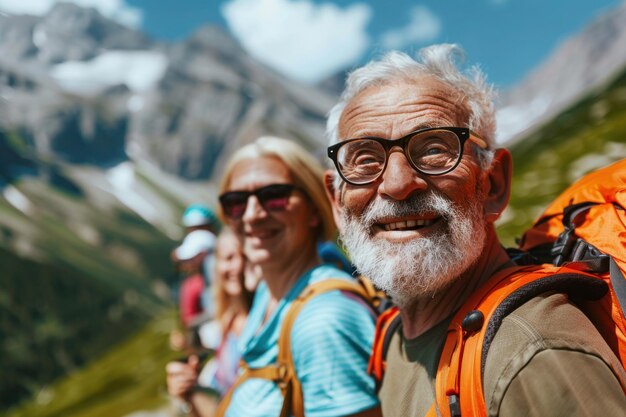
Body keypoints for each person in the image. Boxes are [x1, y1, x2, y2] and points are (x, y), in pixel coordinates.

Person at [323, 44, 626, 416]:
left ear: (493, 183)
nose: (398, 183)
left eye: (433, 148)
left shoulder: (532, 352)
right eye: (365, 158)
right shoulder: (392, 340)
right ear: (337, 202)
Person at [216, 136, 381, 417]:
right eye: (235, 202)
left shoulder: (323, 318)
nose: (252, 215)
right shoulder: (269, 296)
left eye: (274, 196)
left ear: (314, 209)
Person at [166, 228, 255, 417]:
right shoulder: (227, 324)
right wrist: (187, 392)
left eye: (243, 256)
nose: (237, 266)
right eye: (228, 258)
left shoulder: (268, 319)